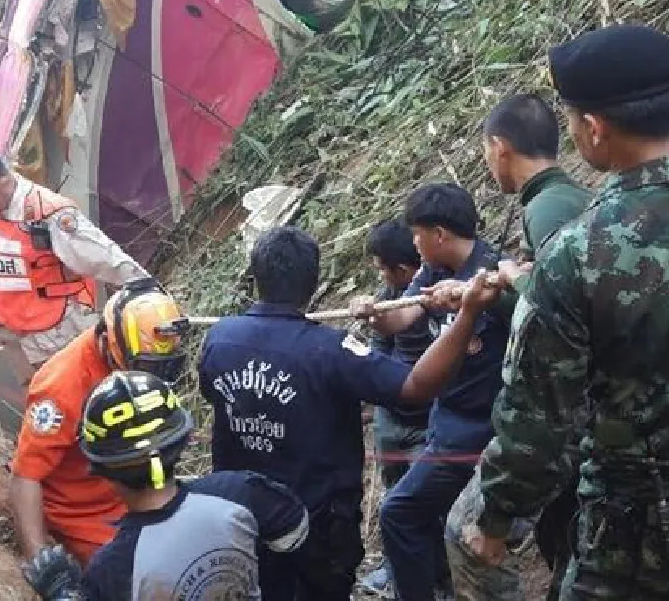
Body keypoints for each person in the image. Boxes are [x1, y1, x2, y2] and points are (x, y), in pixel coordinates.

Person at [462, 24, 669, 598]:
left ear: (593, 130)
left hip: (640, 536)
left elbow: (538, 416)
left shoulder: (576, 254)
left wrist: (497, 518)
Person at [199, 224, 494, 601]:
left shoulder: (220, 338)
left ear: (256, 277)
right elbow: (416, 388)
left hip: (240, 523)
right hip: (317, 529)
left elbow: (216, 394)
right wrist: (467, 317)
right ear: (313, 283)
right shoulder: (329, 350)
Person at [443, 94, 591, 601]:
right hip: (580, 415)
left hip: (565, 417)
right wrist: (486, 298)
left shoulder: (547, 210)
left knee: (466, 536)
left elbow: (561, 323)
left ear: (499, 147)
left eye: (486, 151)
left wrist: (509, 284)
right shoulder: (561, 200)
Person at [0, 128, 148, 427]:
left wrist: (147, 295)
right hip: (1, 311)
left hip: (54, 322)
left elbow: (106, 258)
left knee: (68, 403)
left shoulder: (49, 213)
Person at [23, 370, 310, 601]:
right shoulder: (241, 493)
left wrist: (64, 593)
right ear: (183, 441)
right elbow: (294, 532)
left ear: (101, 470)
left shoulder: (113, 567)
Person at [359, 185, 512, 601]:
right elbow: (404, 316)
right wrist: (376, 316)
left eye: (417, 234)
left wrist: (468, 303)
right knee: (414, 513)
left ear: (439, 234)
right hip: (444, 422)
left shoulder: (494, 276)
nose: (413, 242)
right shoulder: (433, 272)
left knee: (399, 512)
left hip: (481, 429)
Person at [11, 278, 189, 570]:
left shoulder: (143, 360)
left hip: (136, 487)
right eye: (145, 367)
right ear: (110, 343)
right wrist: (40, 557)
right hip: (85, 512)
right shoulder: (61, 388)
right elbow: (25, 476)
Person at [353, 219, 433, 598]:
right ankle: (395, 563)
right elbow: (378, 350)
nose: (382, 275)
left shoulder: (437, 296)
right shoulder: (387, 299)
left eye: (383, 267)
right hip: (392, 415)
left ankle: (437, 572)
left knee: (424, 500)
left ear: (403, 269)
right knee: (393, 493)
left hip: (428, 418)